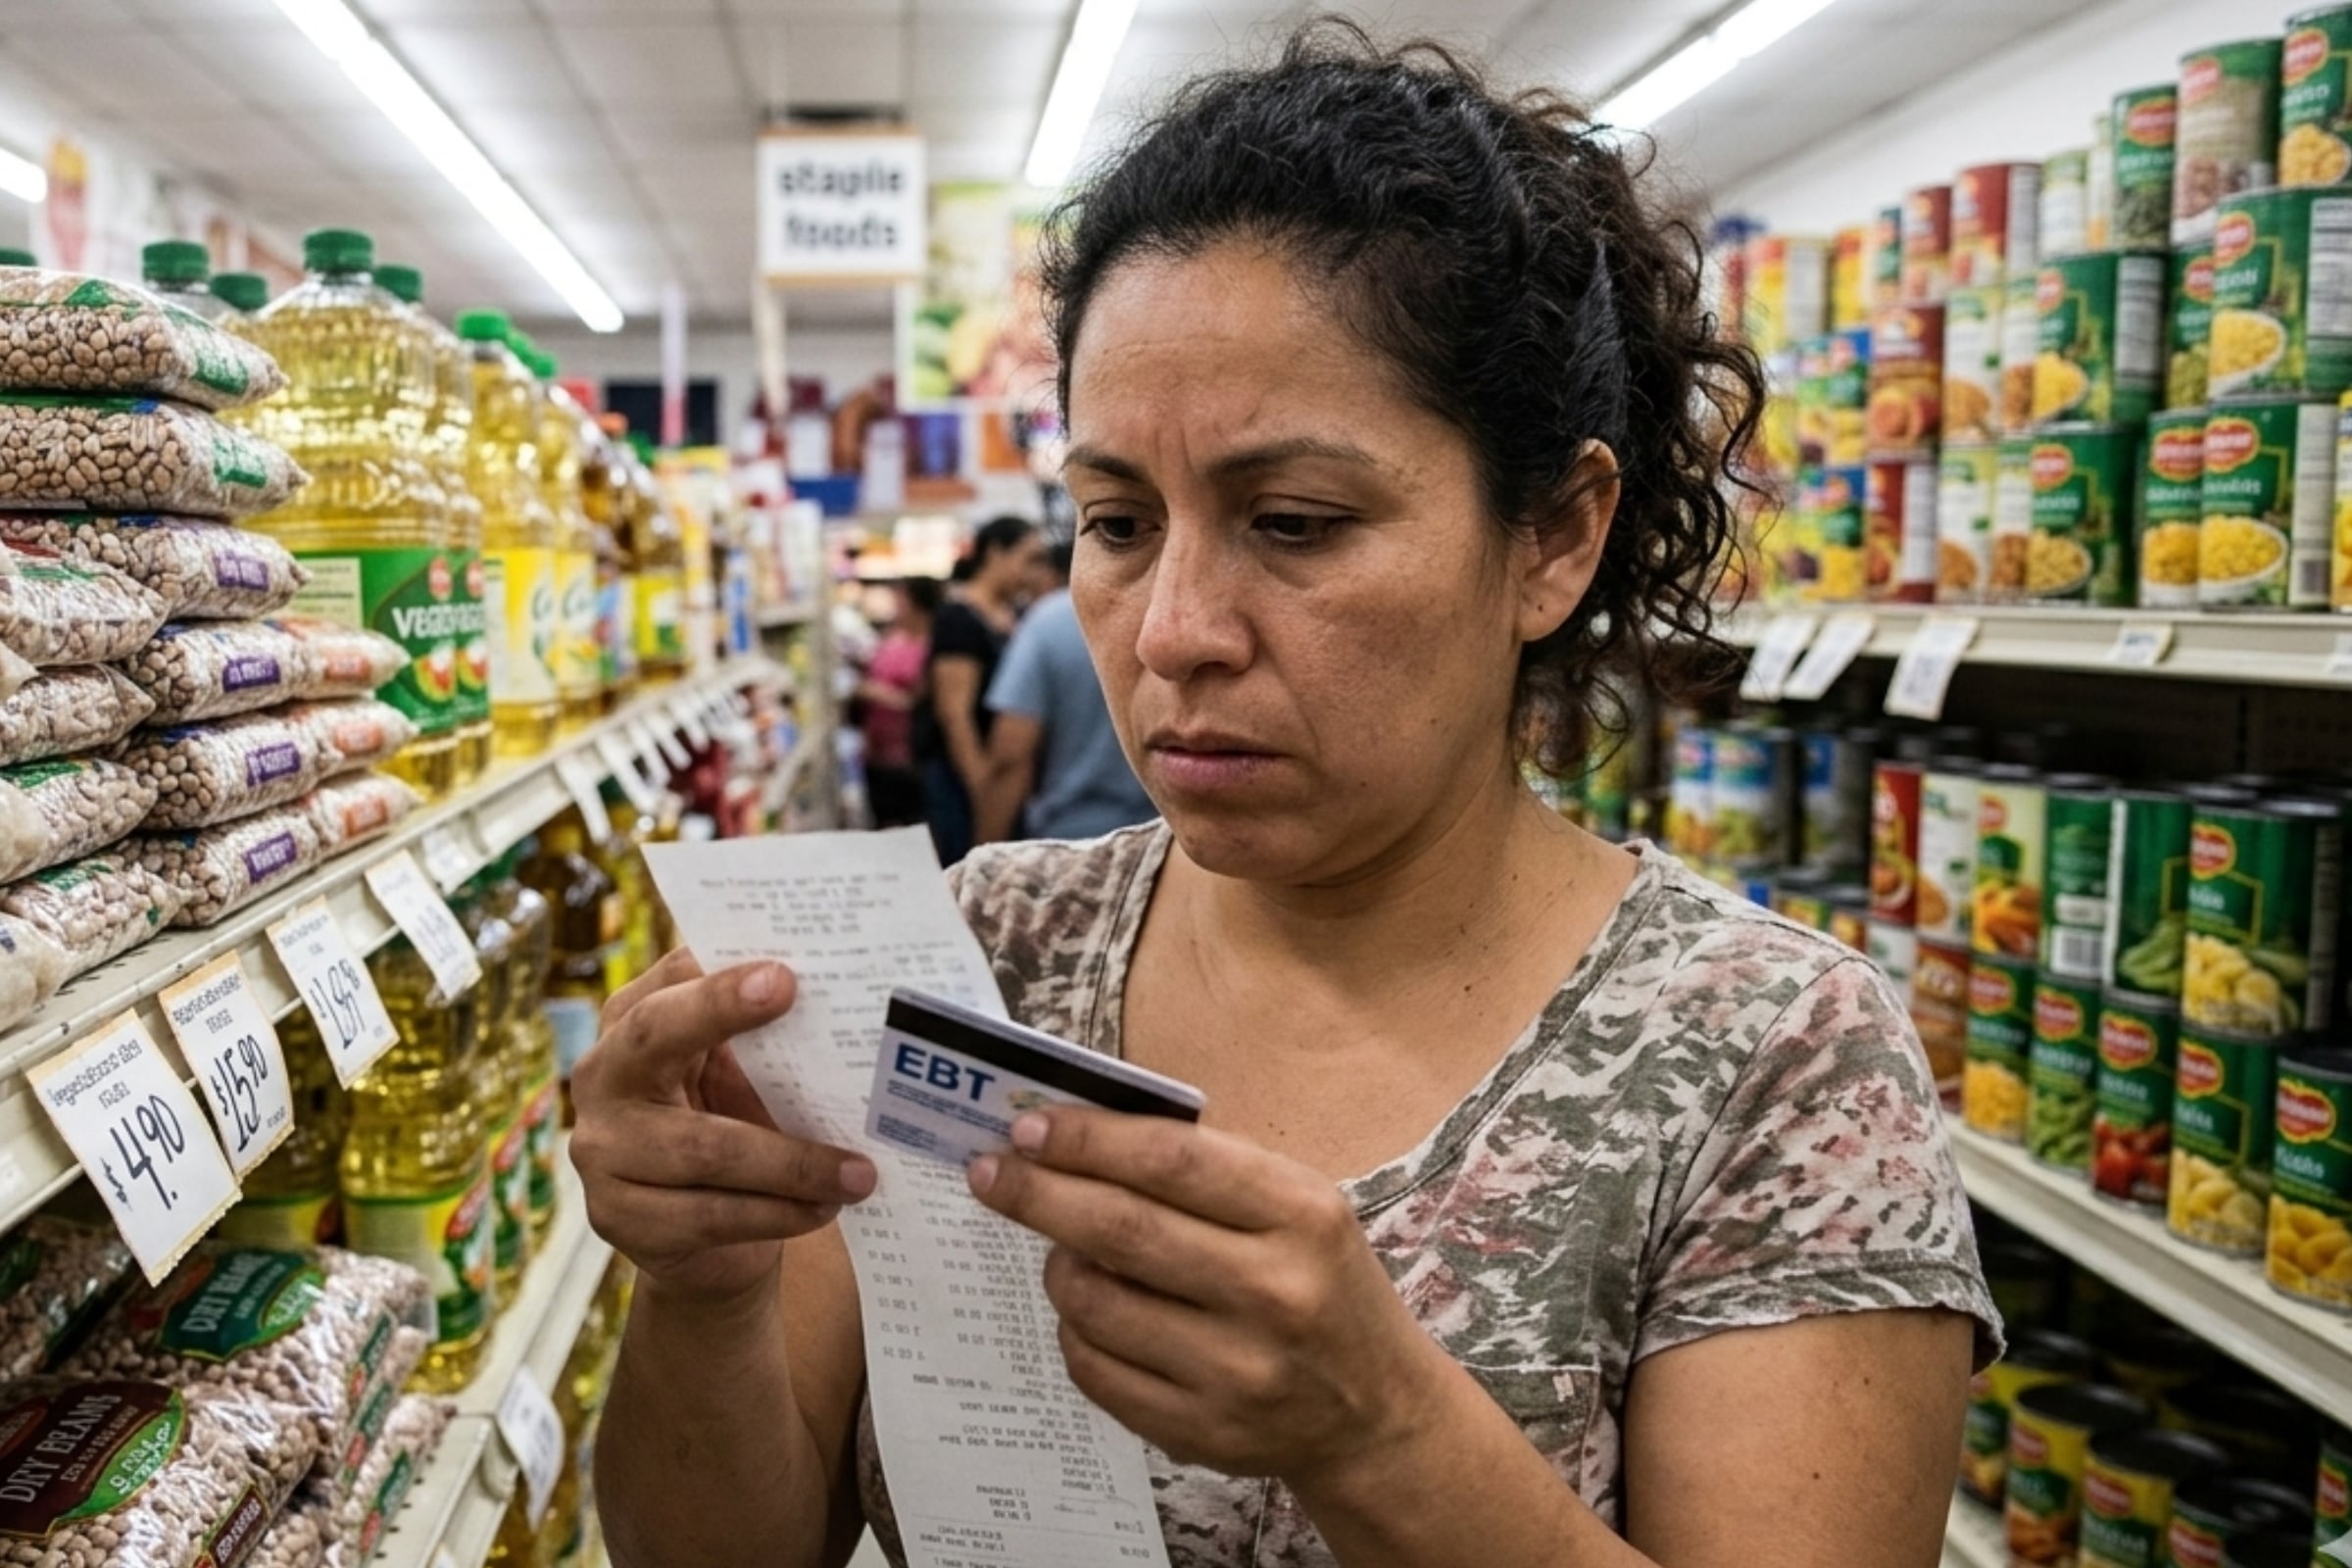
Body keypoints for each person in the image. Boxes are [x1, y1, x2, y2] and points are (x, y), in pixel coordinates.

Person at [579, 23, 1996, 1568]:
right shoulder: (978, 959)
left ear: (1553, 538)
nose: (1175, 631)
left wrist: (1381, 1437)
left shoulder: (1774, 1057)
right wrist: (705, 1288)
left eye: (1299, 522)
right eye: (1118, 523)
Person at [975, 544, 1156, 843]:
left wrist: (985, 848)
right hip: (1167, 840)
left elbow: (1011, 753)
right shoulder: (1166, 613)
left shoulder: (1047, 622)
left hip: (1070, 834)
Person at [913, 514, 1041, 863]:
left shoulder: (1014, 613)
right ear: (995, 553)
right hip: (964, 777)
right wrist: (983, 787)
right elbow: (953, 712)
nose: (1032, 572)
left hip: (1005, 774)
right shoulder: (959, 618)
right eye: (1028, 559)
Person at [857, 576, 940, 829]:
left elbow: (922, 699)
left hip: (911, 759)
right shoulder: (891, 640)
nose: (895, 606)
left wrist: (876, 693)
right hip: (877, 755)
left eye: (901, 600)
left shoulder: (932, 646)